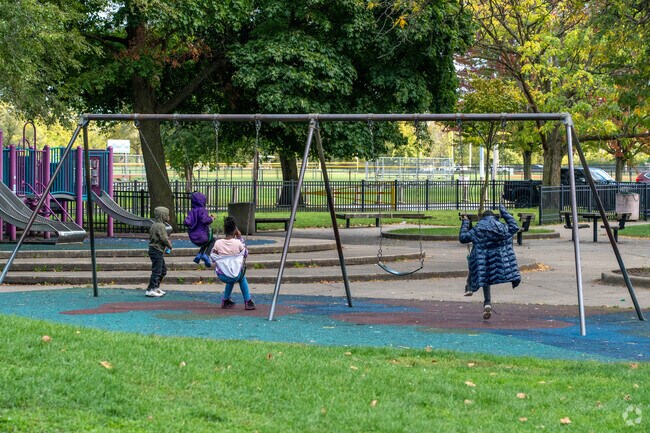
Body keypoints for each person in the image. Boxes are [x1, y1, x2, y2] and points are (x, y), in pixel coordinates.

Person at [459, 204, 521, 319]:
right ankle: (514, 279)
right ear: (494, 218)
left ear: (482, 219)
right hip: (500, 259)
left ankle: (482, 297)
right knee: (484, 270)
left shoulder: (478, 229)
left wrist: (465, 223)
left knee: (482, 272)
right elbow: (514, 227)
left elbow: (463, 238)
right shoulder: (502, 228)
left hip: (482, 259)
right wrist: (503, 211)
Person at [210, 216, 256, 310]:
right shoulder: (238, 243)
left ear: (224, 230)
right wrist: (239, 237)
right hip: (235, 275)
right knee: (241, 277)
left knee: (230, 272)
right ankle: (248, 301)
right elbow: (245, 254)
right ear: (235, 230)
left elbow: (213, 257)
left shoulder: (218, 243)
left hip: (222, 275)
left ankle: (226, 300)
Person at [146, 206, 173, 298]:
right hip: (156, 250)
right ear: (163, 215)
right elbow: (163, 238)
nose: (168, 216)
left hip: (156, 250)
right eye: (167, 215)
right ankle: (150, 289)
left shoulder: (154, 225)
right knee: (157, 271)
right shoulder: (160, 226)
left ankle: (156, 287)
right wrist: (169, 245)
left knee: (163, 270)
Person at [184, 191, 215, 267]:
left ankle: (199, 254)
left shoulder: (191, 212)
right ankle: (206, 255)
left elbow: (186, 222)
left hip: (194, 238)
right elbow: (205, 220)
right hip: (203, 237)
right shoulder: (203, 210)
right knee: (213, 240)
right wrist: (211, 218)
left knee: (205, 241)